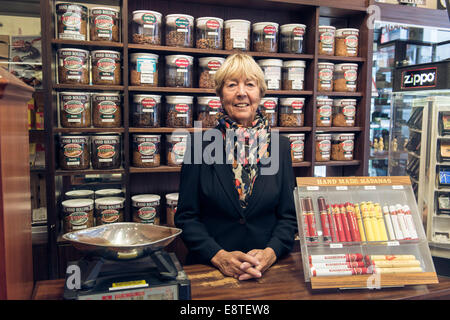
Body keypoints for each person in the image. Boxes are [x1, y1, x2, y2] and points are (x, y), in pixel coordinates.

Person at [174, 53, 297, 281]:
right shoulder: (199, 146)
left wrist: (270, 254)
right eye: (232, 85)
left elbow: (289, 216)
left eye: (250, 84)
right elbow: (186, 217)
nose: (241, 92)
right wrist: (219, 256)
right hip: (211, 271)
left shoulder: (279, 146)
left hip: (268, 272)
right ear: (221, 94)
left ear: (260, 92)